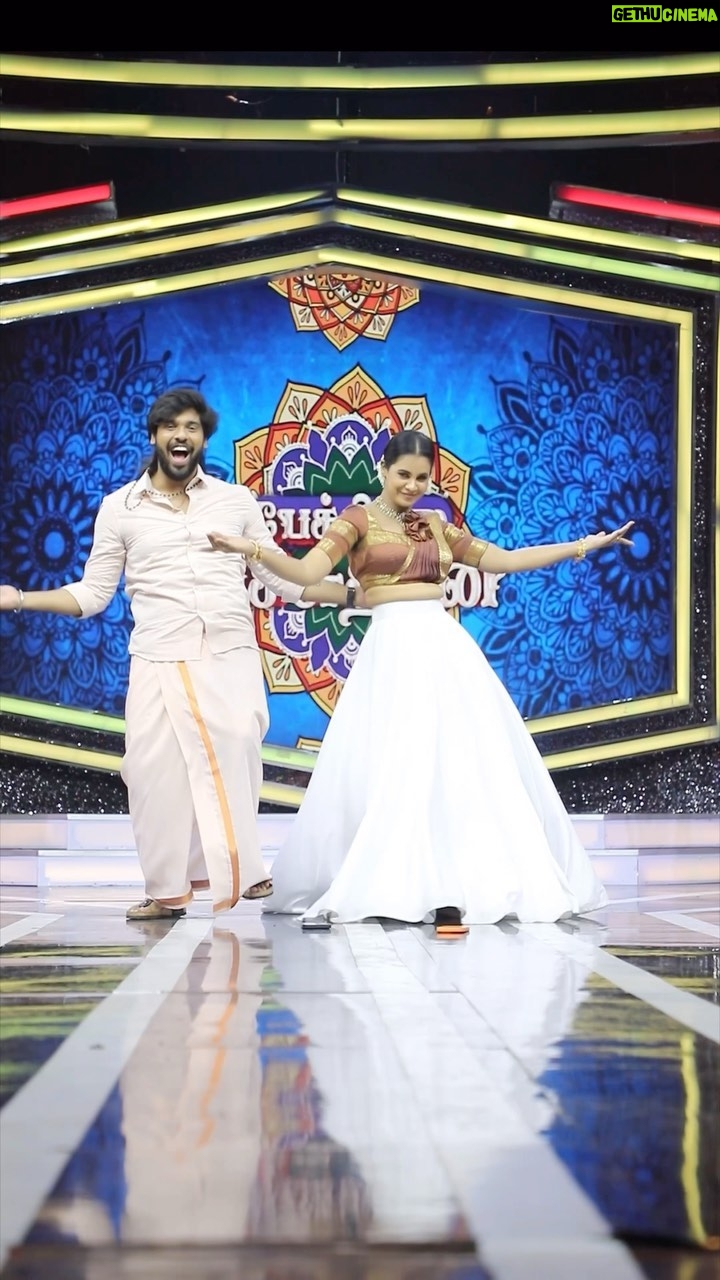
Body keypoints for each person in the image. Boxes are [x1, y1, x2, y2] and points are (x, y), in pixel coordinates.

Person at [207, 429, 634, 936]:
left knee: (453, 766)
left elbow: (504, 560)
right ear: (383, 471)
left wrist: (582, 546)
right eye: (403, 475)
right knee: (398, 763)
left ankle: (451, 884)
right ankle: (397, 881)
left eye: (422, 477)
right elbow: (304, 572)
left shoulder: (435, 524)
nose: (412, 485)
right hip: (392, 649)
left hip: (444, 648)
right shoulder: (356, 521)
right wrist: (252, 549)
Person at [0, 389, 362, 921]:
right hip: (159, 653)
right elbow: (93, 593)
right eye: (171, 426)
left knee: (237, 739)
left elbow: (283, 580)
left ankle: (245, 870)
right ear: (154, 435)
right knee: (150, 771)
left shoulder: (236, 501)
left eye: (192, 427)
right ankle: (167, 890)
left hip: (227, 648)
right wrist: (19, 598)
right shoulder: (120, 508)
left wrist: (352, 596)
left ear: (204, 440)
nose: (181, 435)